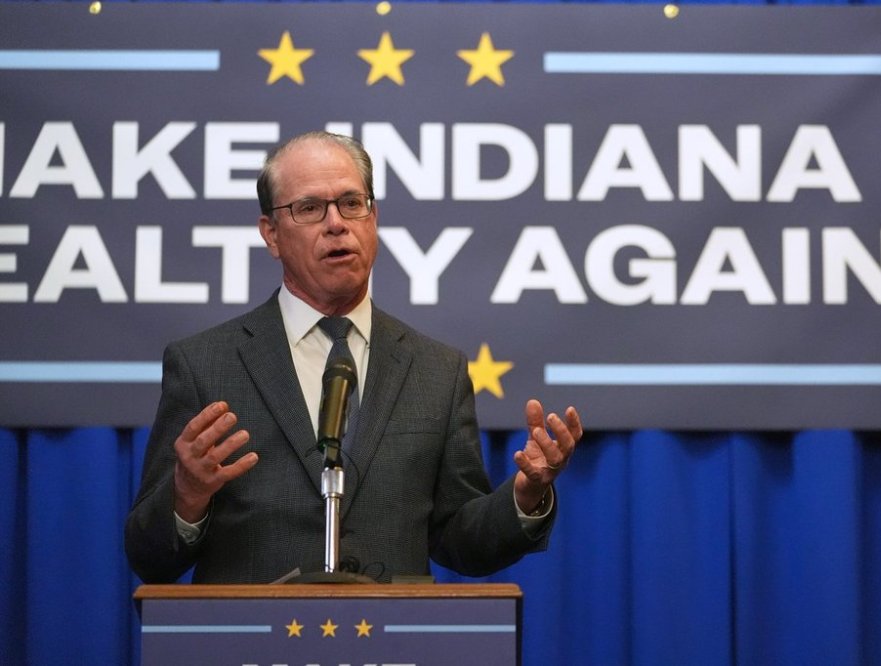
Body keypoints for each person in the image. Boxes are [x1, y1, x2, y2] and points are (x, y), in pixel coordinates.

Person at [124, 131, 583, 584]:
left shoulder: (436, 371)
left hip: (392, 649)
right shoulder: (205, 364)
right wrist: (187, 498)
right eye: (309, 208)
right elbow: (149, 557)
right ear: (271, 234)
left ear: (373, 217)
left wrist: (526, 496)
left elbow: (460, 541)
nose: (336, 223)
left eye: (351, 203)